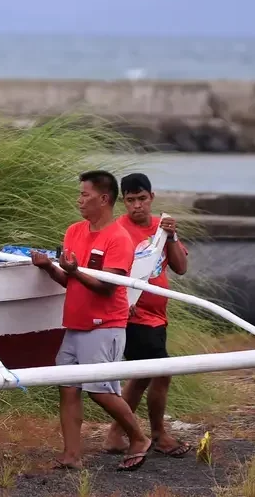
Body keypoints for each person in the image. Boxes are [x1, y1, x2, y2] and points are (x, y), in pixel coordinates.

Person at [32, 170, 151, 471]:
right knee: (68, 387)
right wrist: (48, 268)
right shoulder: (74, 231)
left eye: (85, 195)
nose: (79, 200)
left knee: (99, 389)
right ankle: (72, 454)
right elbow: (71, 281)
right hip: (75, 324)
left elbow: (109, 286)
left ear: (104, 199)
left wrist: (73, 271)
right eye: (80, 194)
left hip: (105, 324)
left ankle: (139, 437)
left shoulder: (119, 238)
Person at [103, 173, 192, 457]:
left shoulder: (161, 228)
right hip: (132, 315)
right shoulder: (118, 230)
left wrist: (172, 236)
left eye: (142, 199)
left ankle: (117, 434)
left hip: (158, 315)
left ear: (151, 198)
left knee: (140, 376)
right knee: (160, 372)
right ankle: (158, 434)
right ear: (123, 203)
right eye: (130, 200)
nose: (137, 206)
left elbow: (180, 268)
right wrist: (121, 301)